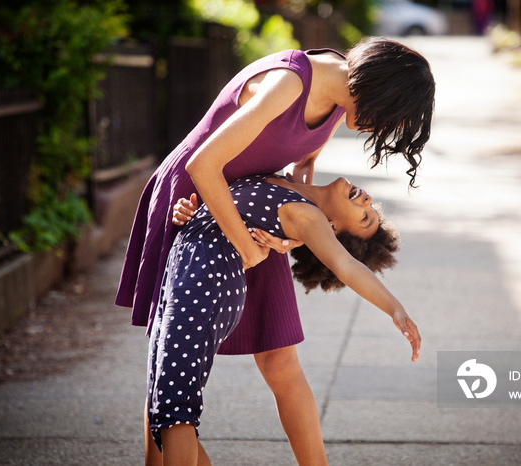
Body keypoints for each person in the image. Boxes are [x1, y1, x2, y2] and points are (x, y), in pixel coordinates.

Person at [115, 36, 435, 465]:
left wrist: (298, 229)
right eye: (389, 117)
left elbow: (304, 166)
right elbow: (203, 164)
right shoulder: (289, 82)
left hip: (256, 205)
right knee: (171, 372)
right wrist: (250, 244)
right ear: (377, 89)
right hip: (197, 202)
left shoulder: (342, 94)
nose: (381, 130)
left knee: (279, 360)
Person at [149, 173, 420, 465]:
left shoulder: (307, 217)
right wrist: (191, 211)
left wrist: (395, 308)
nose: (367, 201)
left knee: (174, 411)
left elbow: (347, 265)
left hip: (206, 281)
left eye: (364, 218)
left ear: (332, 230)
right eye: (371, 210)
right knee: (161, 413)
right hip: (183, 269)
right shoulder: (287, 179)